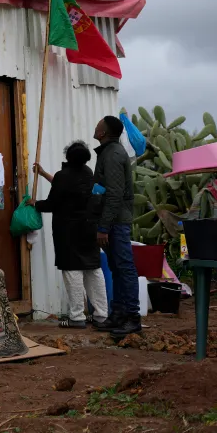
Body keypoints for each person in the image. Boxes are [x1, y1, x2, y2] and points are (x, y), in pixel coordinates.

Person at [35, 141, 107, 329]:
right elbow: (68, 188)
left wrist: (35, 204)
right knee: (93, 269)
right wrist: (43, 174)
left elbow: (53, 203)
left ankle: (77, 317)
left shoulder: (63, 176)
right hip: (89, 228)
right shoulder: (88, 173)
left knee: (73, 270)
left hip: (68, 231)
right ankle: (101, 315)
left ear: (68, 157)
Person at [93, 115, 139, 337]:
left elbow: (114, 194)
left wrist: (103, 227)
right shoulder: (110, 152)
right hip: (112, 220)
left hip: (115, 222)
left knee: (124, 267)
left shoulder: (112, 155)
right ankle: (119, 315)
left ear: (103, 132)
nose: (96, 126)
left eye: (99, 124)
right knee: (117, 268)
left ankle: (132, 317)